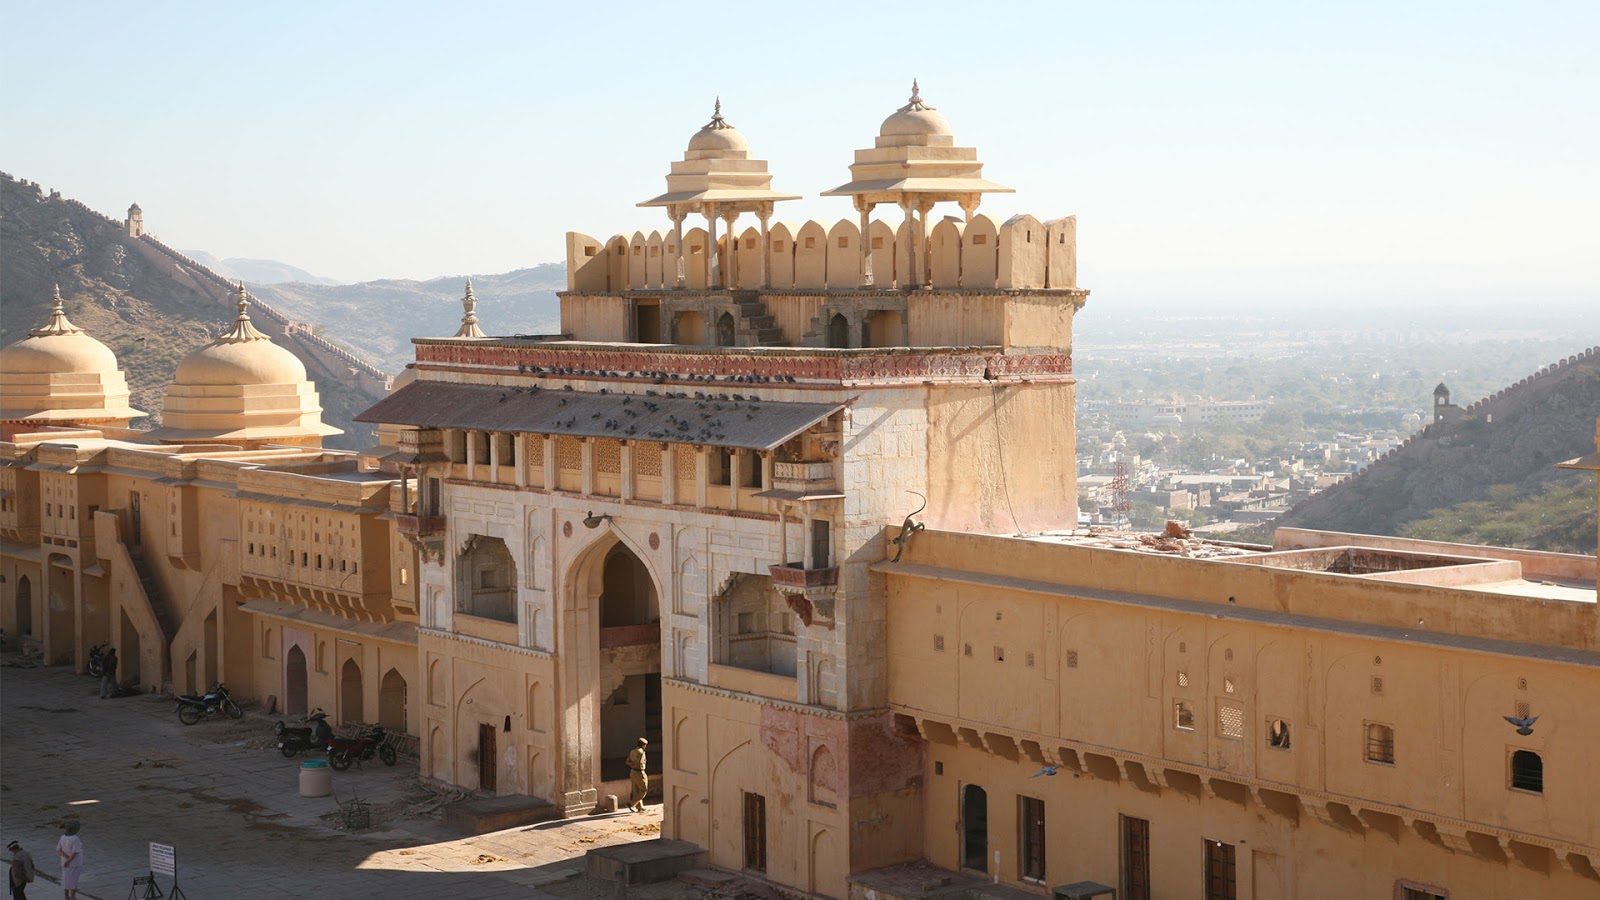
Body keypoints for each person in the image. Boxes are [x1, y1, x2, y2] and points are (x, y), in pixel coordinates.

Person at [55, 822, 82, 900]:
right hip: (75, 863)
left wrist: (66, 857)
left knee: (65, 878)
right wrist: (69, 860)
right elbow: (75, 852)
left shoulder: (62, 837)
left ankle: (66, 896)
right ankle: (73, 897)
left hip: (64, 862)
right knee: (73, 880)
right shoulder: (75, 838)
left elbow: (58, 850)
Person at [625, 737, 649, 812]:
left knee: (636, 790)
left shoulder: (632, 751)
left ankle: (640, 807)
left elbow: (627, 762)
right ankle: (631, 804)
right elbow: (640, 764)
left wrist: (632, 764)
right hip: (639, 772)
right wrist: (636, 765)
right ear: (643, 745)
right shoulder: (642, 752)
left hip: (632, 772)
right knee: (643, 790)